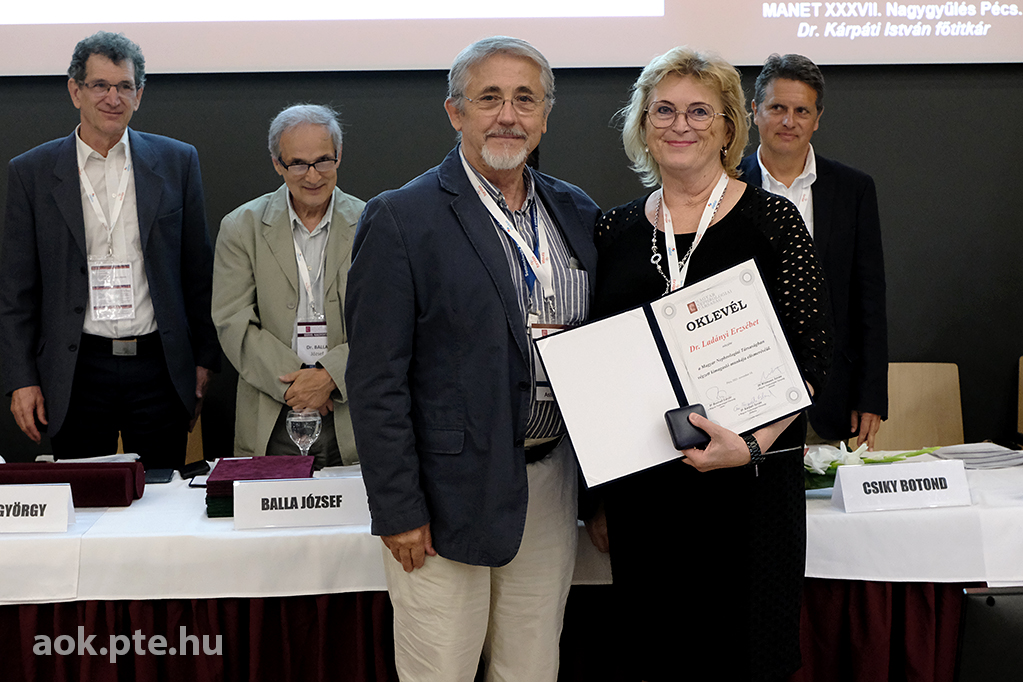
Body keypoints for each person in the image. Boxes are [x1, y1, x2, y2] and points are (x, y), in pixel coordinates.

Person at [345, 36, 599, 682]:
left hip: (549, 482)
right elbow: (375, 382)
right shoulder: (401, 218)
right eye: (489, 98)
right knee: (441, 671)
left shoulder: (577, 213)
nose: (508, 115)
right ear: (455, 112)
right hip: (444, 496)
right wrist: (399, 509)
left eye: (524, 99)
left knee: (531, 669)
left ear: (545, 115)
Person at [588, 47, 832, 681]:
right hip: (646, 498)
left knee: (745, 656)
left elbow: (812, 353)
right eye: (663, 110)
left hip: (749, 491)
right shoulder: (612, 231)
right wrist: (600, 500)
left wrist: (749, 445)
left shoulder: (773, 221)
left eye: (700, 111)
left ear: (728, 127)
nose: (680, 125)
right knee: (657, 657)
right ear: (642, 124)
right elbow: (601, 370)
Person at [0, 31, 219, 469]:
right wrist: (21, 379)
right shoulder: (32, 173)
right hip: (78, 369)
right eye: (100, 85)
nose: (113, 98)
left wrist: (203, 360)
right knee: (86, 499)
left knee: (163, 495)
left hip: (159, 366)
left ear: (139, 94)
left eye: (124, 86)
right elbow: (16, 290)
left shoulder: (177, 161)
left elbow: (198, 271)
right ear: (75, 91)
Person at [739, 53, 887, 449]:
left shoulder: (853, 190)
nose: (789, 121)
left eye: (801, 111)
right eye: (777, 108)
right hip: (745, 397)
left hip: (830, 398)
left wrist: (871, 396)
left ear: (817, 118)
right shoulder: (726, 185)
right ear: (755, 111)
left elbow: (869, 299)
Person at [212, 104, 362, 468]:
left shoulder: (371, 223)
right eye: (297, 164)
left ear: (339, 156)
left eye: (323, 161)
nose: (312, 176)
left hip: (351, 414)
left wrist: (330, 377)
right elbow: (233, 322)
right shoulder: (241, 227)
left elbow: (386, 324)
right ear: (277, 164)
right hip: (272, 413)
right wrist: (300, 386)